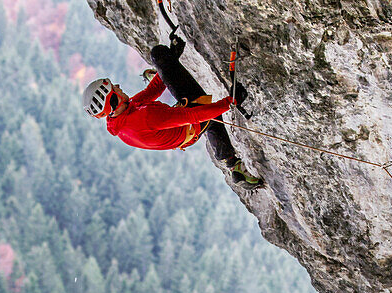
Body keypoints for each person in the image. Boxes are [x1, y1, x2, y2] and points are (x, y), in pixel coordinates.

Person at [82, 37, 263, 187]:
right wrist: (230, 102)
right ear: (113, 100)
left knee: (162, 58)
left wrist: (169, 64)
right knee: (208, 113)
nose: (119, 86)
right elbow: (191, 116)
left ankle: (232, 164)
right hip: (188, 126)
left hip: (178, 125)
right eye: (115, 88)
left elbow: (151, 93)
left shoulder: (121, 116)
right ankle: (232, 164)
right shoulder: (142, 119)